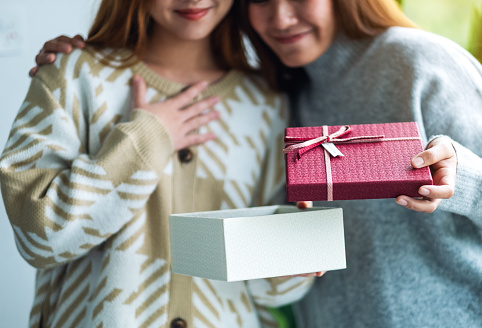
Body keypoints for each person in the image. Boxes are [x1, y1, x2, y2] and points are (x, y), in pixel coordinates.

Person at [25, 0, 482, 327]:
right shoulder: (282, 94)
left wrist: (466, 176)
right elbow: (273, 268)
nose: (282, 18)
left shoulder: (418, 63)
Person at [0, 0, 316, 327]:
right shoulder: (74, 77)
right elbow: (36, 236)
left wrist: (296, 258)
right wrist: (146, 140)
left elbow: (268, 290)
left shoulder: (267, 104)